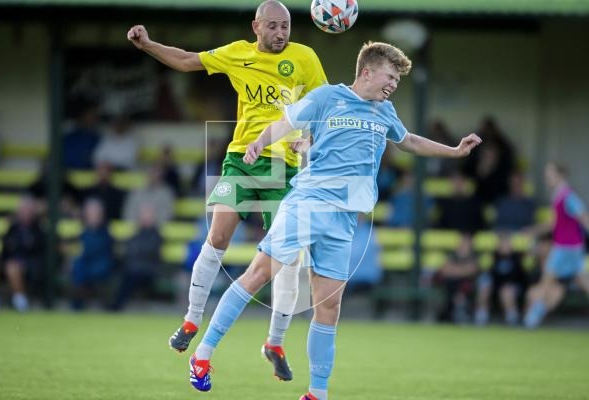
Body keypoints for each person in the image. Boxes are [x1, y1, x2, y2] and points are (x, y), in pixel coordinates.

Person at [186, 41, 481, 399]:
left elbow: (409, 142)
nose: (393, 85)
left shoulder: (384, 111)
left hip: (344, 221)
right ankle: (203, 356)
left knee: (328, 307)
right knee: (259, 274)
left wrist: (453, 151)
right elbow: (287, 121)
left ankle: (317, 393)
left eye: (398, 81)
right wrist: (260, 142)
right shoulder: (327, 97)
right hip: (308, 203)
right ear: (367, 72)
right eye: (390, 76)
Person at [127, 0, 328, 380]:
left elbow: (321, 106)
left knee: (287, 257)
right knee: (217, 237)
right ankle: (190, 322)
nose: (281, 33)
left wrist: (309, 137)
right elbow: (187, 61)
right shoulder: (237, 54)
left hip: (283, 167)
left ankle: (275, 342)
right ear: (256, 26)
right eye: (272, 26)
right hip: (242, 159)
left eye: (285, 26)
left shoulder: (305, 57)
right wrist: (149, 45)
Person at [523, 163, 589, 328]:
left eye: (550, 173)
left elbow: (583, 216)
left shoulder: (567, 196)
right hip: (569, 246)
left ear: (560, 175)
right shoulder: (559, 195)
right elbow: (554, 223)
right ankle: (533, 317)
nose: (547, 177)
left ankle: (532, 319)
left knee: (548, 278)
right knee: (582, 281)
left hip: (567, 246)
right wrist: (533, 231)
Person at [0, 197, 45, 311]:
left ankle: (20, 301)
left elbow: (37, 251)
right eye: (22, 210)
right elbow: (4, 248)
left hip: (28, 264)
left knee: (12, 267)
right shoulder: (13, 228)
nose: (25, 213)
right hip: (8, 261)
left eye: (27, 210)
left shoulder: (38, 229)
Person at [474, 232, 527, 326]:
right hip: (497, 286)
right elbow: (490, 275)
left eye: (507, 243)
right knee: (484, 286)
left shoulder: (517, 258)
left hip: (513, 287)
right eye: (502, 243)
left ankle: (512, 318)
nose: (505, 246)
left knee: (507, 291)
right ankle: (481, 316)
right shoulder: (493, 257)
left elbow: (520, 277)